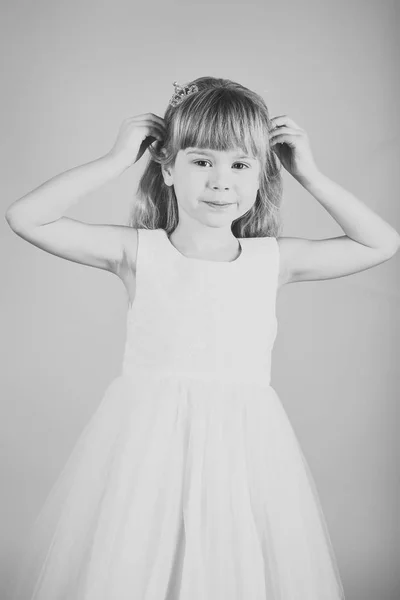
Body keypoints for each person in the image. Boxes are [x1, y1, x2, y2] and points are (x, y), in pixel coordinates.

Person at [5, 76, 399, 600]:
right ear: (167, 167)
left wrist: (311, 174)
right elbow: (25, 216)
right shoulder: (136, 252)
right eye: (201, 161)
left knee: (228, 562)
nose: (220, 181)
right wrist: (117, 158)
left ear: (261, 174)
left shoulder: (272, 260)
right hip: (147, 442)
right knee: (142, 559)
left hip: (244, 445)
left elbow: (381, 243)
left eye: (240, 164)